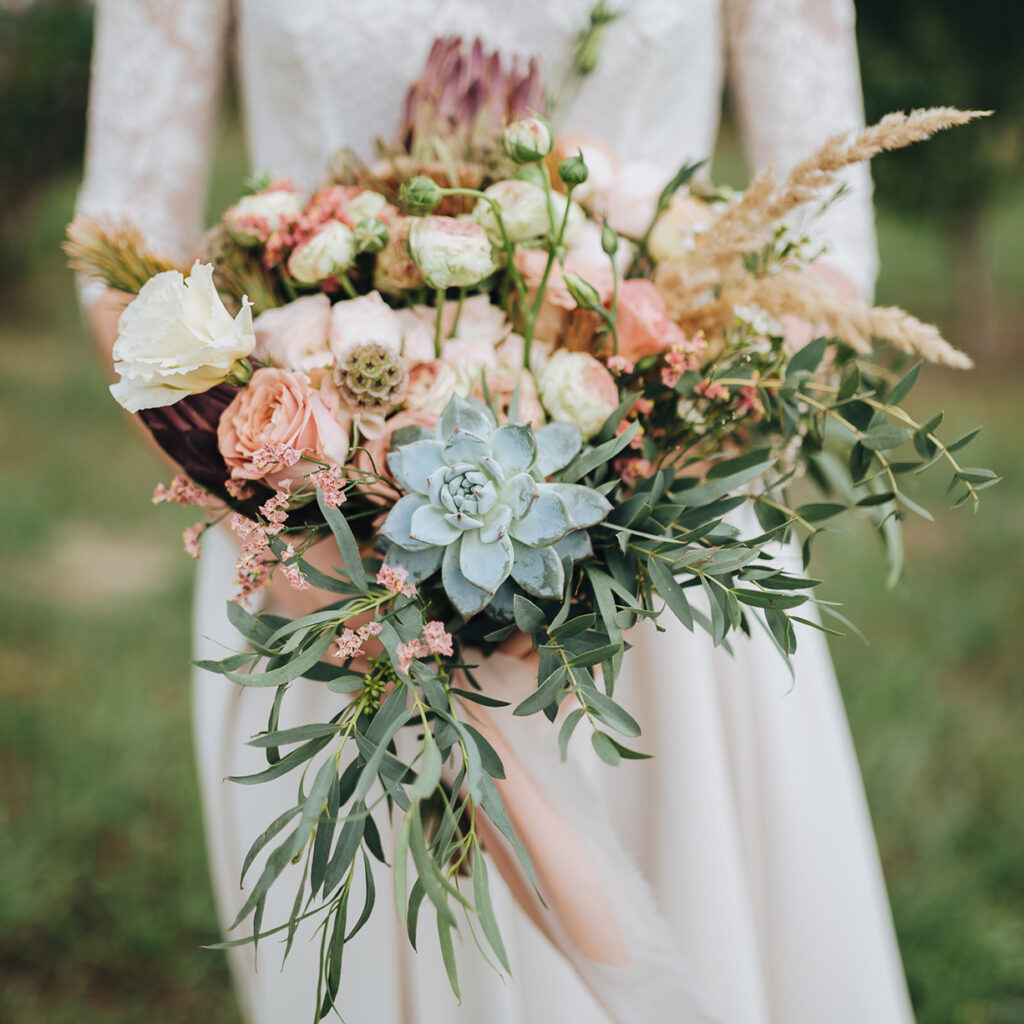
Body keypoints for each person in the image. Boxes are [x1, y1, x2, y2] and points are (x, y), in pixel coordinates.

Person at [77, 1, 916, 1021]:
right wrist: (312, 521)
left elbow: (824, 243)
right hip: (319, 566)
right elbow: (118, 249)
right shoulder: (312, 543)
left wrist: (623, 488)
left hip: (649, 561)